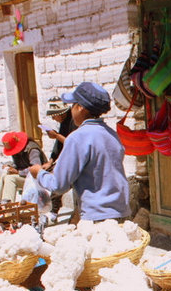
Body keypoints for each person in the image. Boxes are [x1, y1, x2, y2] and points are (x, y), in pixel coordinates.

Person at [29, 82, 131, 222]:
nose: (71, 110)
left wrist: (39, 173)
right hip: (121, 212)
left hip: (97, 215)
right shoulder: (111, 134)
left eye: (73, 105)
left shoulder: (78, 138)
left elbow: (58, 185)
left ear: (80, 108)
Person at [43, 97, 77, 217]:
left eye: (54, 115)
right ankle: (53, 211)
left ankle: (53, 211)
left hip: (77, 160)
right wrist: (51, 160)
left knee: (58, 182)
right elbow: (59, 145)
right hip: (67, 159)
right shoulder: (64, 123)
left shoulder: (74, 121)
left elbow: (73, 144)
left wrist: (56, 135)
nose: (53, 119)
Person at [0, 131, 47, 202]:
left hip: (36, 179)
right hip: (26, 177)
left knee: (10, 179)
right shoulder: (16, 151)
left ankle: (7, 208)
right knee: (4, 175)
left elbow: (36, 169)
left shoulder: (32, 149)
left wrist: (18, 172)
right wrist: (9, 165)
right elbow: (18, 164)